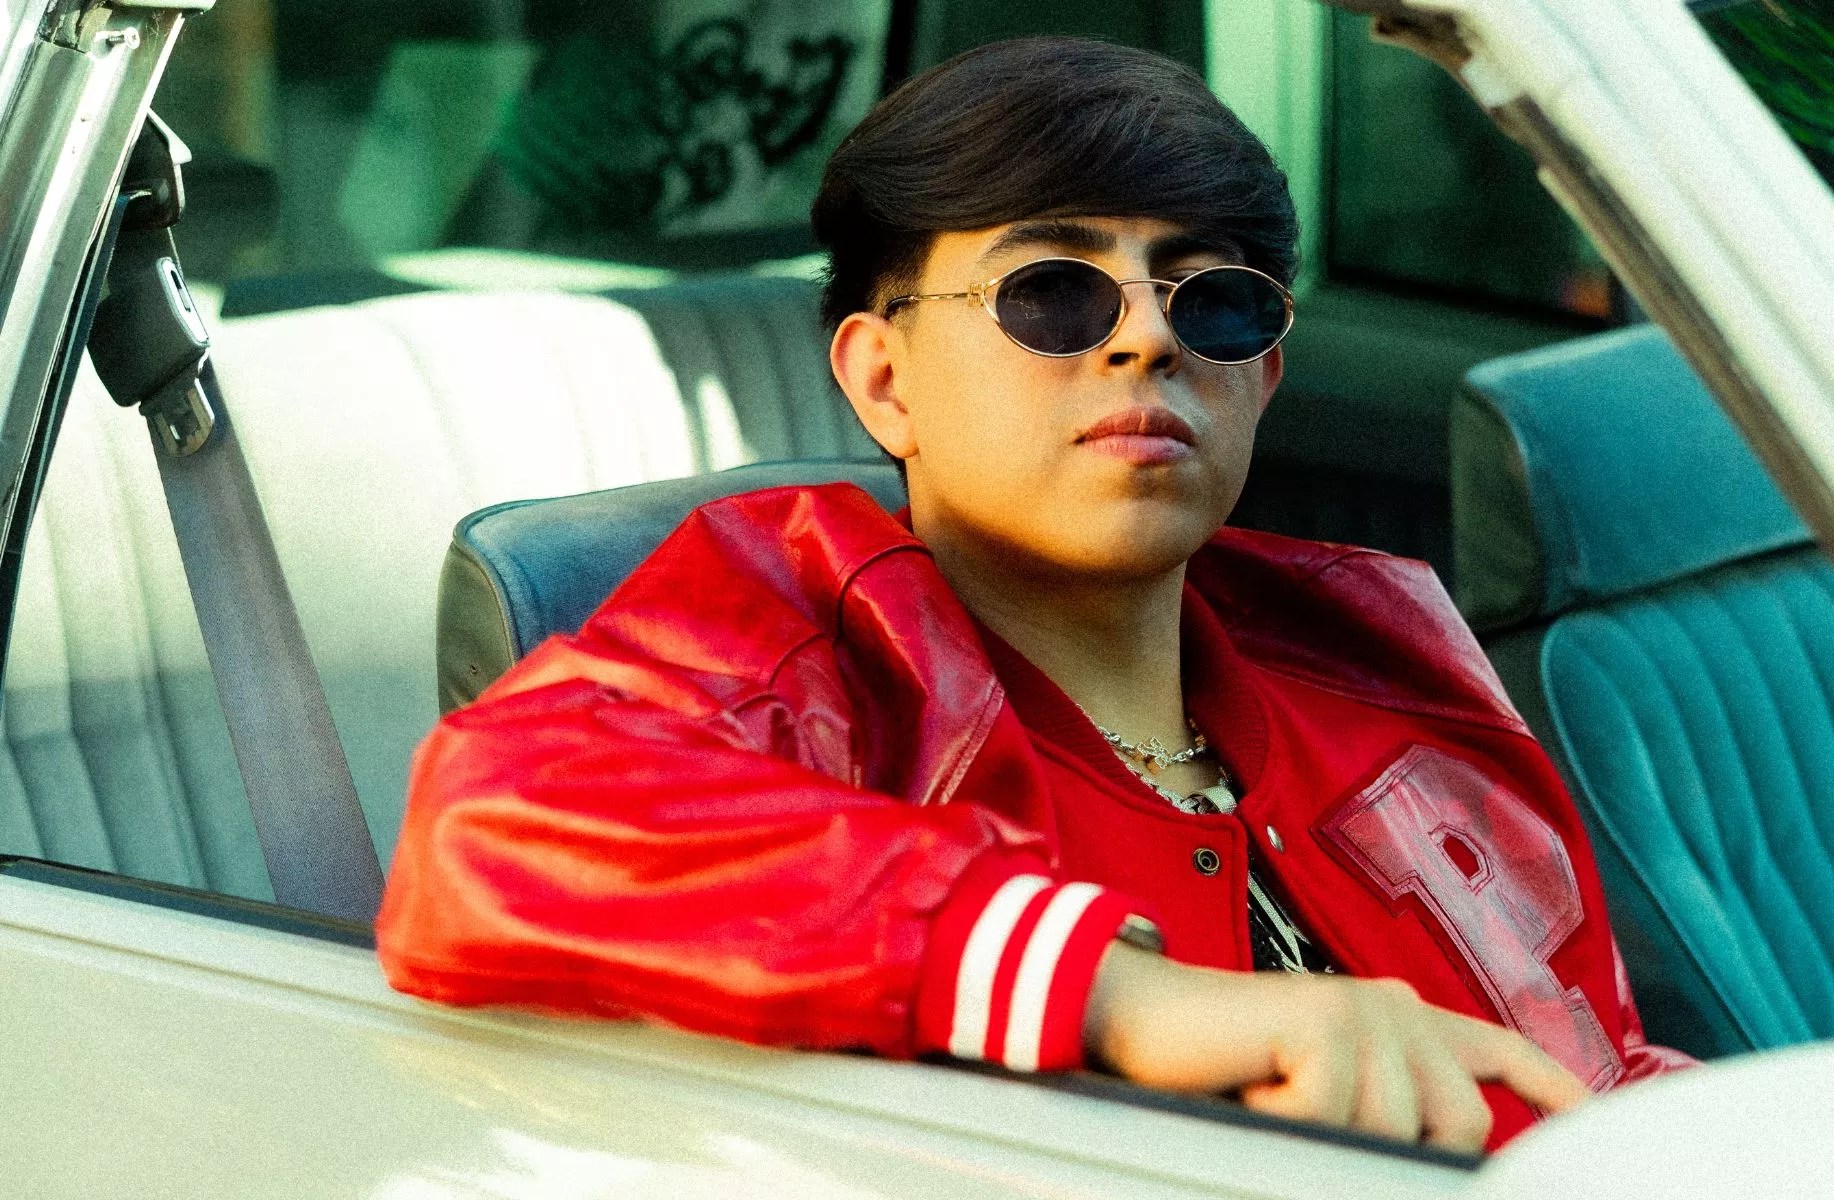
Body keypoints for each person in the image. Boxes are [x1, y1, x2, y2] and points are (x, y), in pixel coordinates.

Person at [376, 36, 1694, 1155]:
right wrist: (1116, 996)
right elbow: (497, 819)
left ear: (1264, 380)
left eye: (1215, 302)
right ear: (883, 380)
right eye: (1051, 293)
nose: (1146, 335)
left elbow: (1592, 1068)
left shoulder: (1373, 649)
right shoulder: (796, 630)